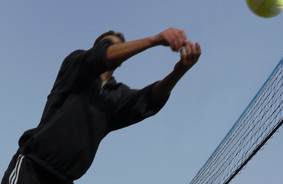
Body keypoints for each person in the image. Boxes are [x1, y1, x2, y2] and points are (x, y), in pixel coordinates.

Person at [2, 28, 201, 184]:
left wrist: (179, 71)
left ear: (122, 59)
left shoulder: (117, 95)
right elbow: (99, 56)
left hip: (64, 179)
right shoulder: (75, 67)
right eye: (106, 45)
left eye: (117, 47)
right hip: (32, 168)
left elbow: (149, 99)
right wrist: (154, 40)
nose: (111, 49)